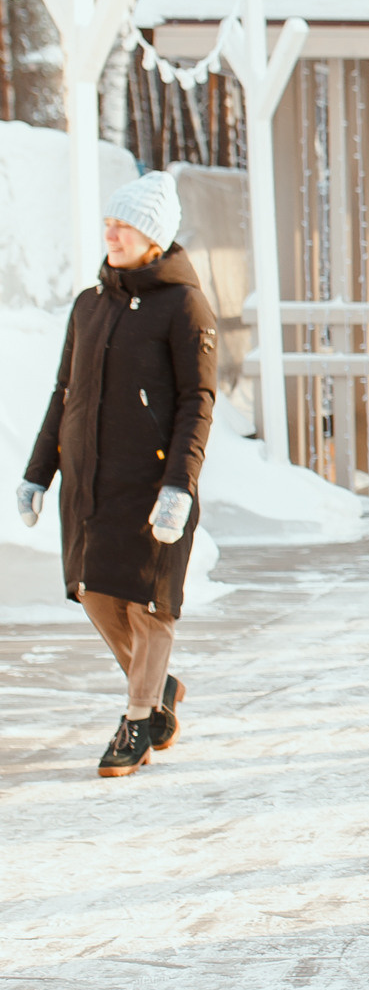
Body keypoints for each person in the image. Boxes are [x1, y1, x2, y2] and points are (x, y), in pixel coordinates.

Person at [20, 172, 214, 777]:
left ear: (153, 236)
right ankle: (158, 683)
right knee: (96, 593)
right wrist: (38, 473)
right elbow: (64, 392)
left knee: (148, 606)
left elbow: (196, 400)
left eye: (124, 225)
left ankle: (138, 719)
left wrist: (179, 485)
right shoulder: (90, 304)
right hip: (90, 479)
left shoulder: (185, 305)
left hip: (152, 481)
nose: (112, 232)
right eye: (110, 223)